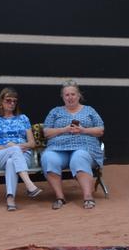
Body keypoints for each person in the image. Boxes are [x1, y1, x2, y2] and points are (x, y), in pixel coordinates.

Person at [41, 80, 103, 209]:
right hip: (58, 149)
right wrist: (64, 129)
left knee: (79, 157)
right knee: (49, 158)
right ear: (63, 97)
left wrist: (83, 130)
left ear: (79, 95)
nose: (70, 97)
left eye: (73, 94)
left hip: (84, 147)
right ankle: (60, 197)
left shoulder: (89, 110)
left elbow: (100, 130)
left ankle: (87, 197)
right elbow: (46, 132)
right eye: (67, 95)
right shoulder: (55, 111)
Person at [0, 87, 42, 211]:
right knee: (13, 150)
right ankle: (29, 185)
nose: (12, 104)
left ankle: (10, 199)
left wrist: (19, 147)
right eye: (8, 100)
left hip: (23, 155)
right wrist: (8, 147)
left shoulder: (23, 119)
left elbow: (32, 143)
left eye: (14, 101)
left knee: (11, 161)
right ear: (1, 101)